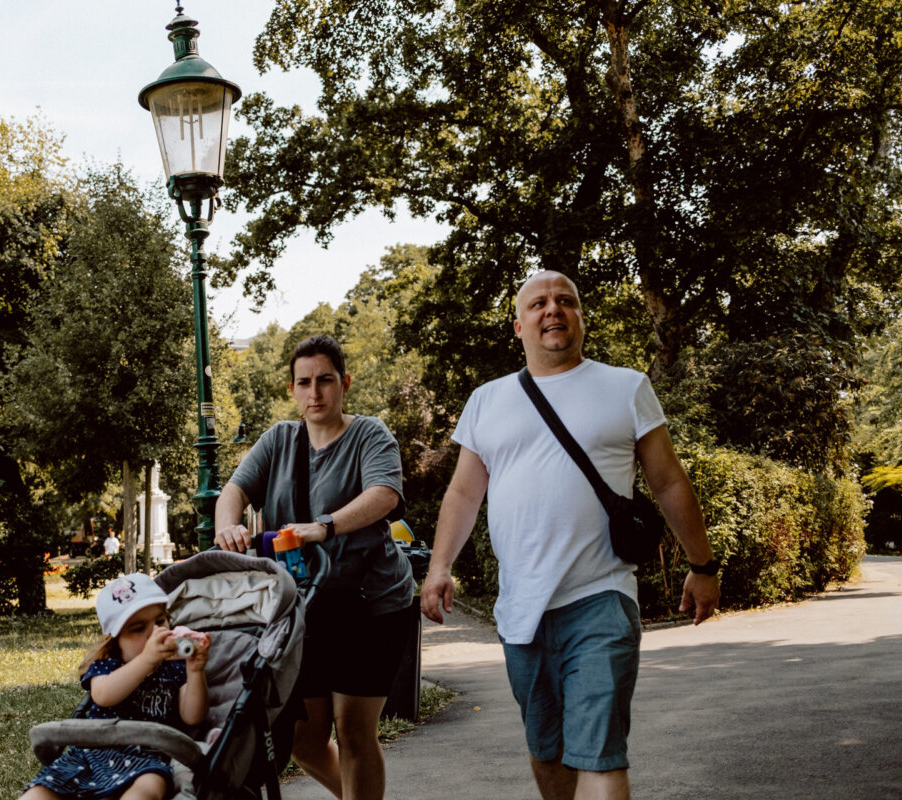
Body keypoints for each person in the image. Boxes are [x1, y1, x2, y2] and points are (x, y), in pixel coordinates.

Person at [421, 271, 721, 800]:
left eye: (566, 301)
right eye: (538, 304)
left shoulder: (626, 387)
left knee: (600, 752)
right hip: (521, 612)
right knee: (548, 754)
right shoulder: (487, 401)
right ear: (519, 326)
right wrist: (439, 566)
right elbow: (464, 494)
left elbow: (668, 480)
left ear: (581, 316)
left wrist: (703, 567)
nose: (552, 310)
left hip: (601, 596)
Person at [214, 334, 414, 800]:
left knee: (353, 731)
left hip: (371, 604)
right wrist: (228, 526)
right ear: (292, 390)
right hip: (306, 608)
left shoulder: (370, 434)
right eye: (304, 382)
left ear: (344, 384)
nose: (315, 392)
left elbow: (385, 495)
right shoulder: (278, 440)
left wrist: (324, 526)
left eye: (325, 380)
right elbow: (234, 491)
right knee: (304, 739)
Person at [20, 573, 210, 800]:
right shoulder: (108, 665)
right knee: (38, 793)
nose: (154, 633)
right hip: (92, 754)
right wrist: (147, 660)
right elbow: (103, 696)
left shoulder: (175, 668)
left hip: (147, 759)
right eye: (139, 629)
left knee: (149, 788)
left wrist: (195, 671)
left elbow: (193, 717)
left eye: (160, 621)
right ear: (115, 639)